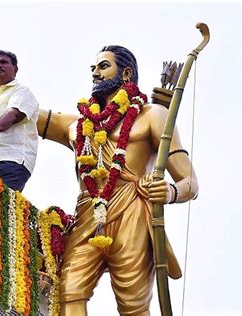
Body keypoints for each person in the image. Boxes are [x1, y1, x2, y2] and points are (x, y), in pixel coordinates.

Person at [36, 45, 199, 315]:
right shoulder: (77, 125)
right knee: (68, 291)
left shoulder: (152, 116)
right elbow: (24, 111)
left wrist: (169, 191)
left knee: (133, 306)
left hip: (131, 211)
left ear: (125, 73)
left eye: (103, 66)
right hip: (87, 214)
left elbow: (190, 181)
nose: (95, 73)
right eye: (93, 68)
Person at [0, 50, 39, 192]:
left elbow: (14, 114)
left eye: (3, 62)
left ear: (15, 69)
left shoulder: (22, 90)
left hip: (11, 159)